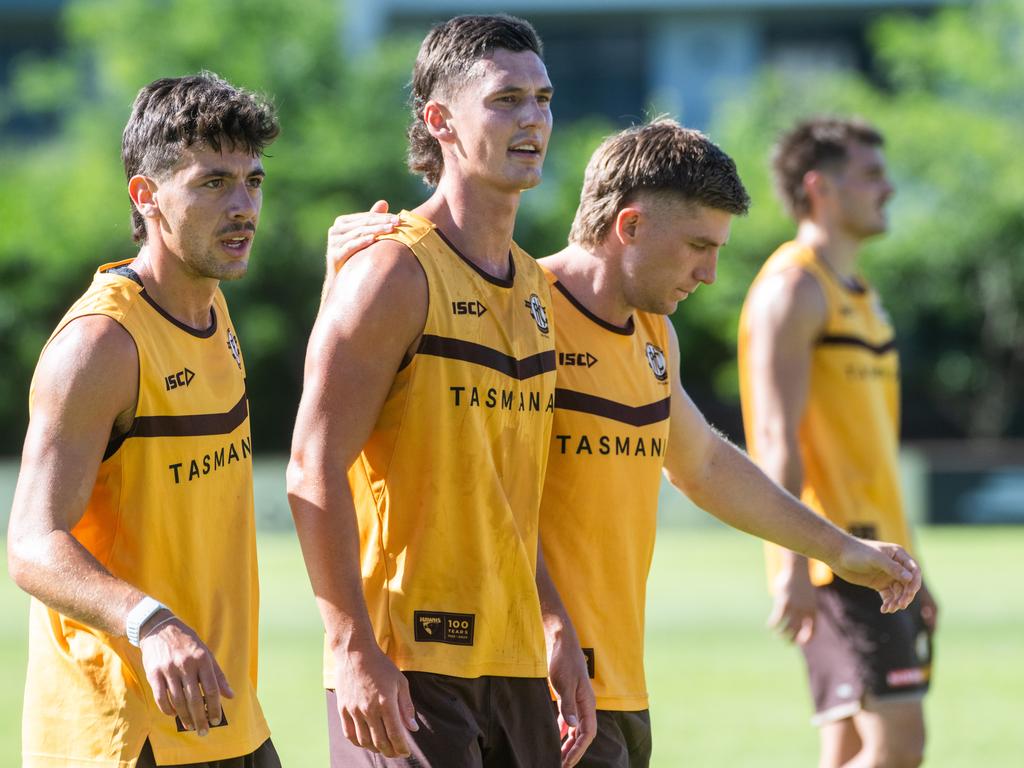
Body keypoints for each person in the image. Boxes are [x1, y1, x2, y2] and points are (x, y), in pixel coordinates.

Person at [325, 119, 922, 768]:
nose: (711, 273)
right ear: (630, 226)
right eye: (698, 245)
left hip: (618, 681)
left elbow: (705, 464)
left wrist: (840, 549)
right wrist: (346, 277)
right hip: (527, 683)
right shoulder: (519, 312)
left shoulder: (652, 334)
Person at [286, 14, 595, 768]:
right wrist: (351, 647)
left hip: (516, 663)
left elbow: (506, 493)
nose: (533, 119)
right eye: (505, 100)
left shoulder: (532, 286)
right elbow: (311, 468)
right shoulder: (391, 273)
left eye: (543, 99)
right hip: (407, 663)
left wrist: (555, 625)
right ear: (440, 120)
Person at [6, 73, 281, 767]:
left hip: (228, 717)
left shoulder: (214, 307)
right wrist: (148, 621)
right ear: (146, 195)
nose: (244, 205)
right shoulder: (100, 344)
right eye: (213, 183)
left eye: (253, 180)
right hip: (126, 738)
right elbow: (32, 543)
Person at [738, 117, 936, 768]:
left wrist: (916, 569)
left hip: (879, 554)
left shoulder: (863, 296)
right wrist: (792, 564)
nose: (889, 189)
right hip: (835, 558)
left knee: (849, 745)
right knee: (899, 745)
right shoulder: (793, 288)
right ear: (820, 187)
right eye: (872, 175)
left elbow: (869, 451)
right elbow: (774, 434)